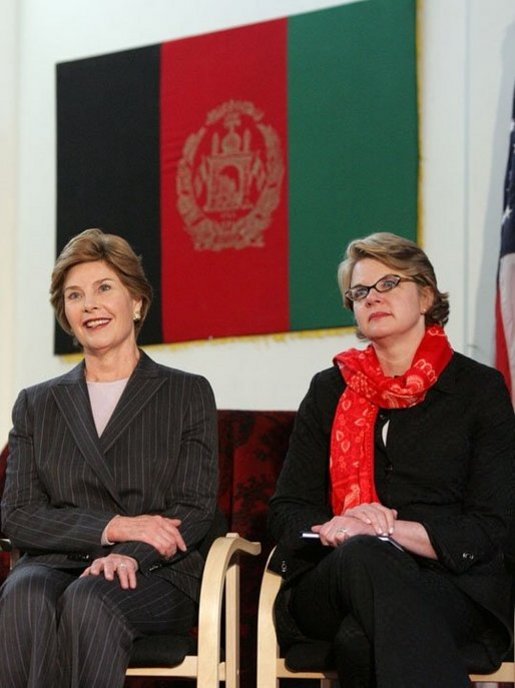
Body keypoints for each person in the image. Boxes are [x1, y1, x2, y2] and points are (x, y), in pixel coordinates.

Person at [268, 232, 515, 688]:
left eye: (388, 283)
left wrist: (384, 529)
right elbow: (287, 511)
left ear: (425, 295)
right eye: (360, 292)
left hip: (450, 582)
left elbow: (492, 526)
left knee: (358, 640)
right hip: (334, 577)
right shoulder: (329, 390)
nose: (372, 298)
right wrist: (343, 528)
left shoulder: (479, 390)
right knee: (365, 555)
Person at [0, 228, 218, 688]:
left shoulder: (186, 392)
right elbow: (18, 515)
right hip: (57, 559)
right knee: (22, 593)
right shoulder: (37, 404)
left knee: (90, 598)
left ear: (137, 302)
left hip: (157, 570)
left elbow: (195, 508)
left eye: (104, 288)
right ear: (66, 314)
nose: (89, 305)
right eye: (74, 295)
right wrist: (112, 526)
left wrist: (131, 552)